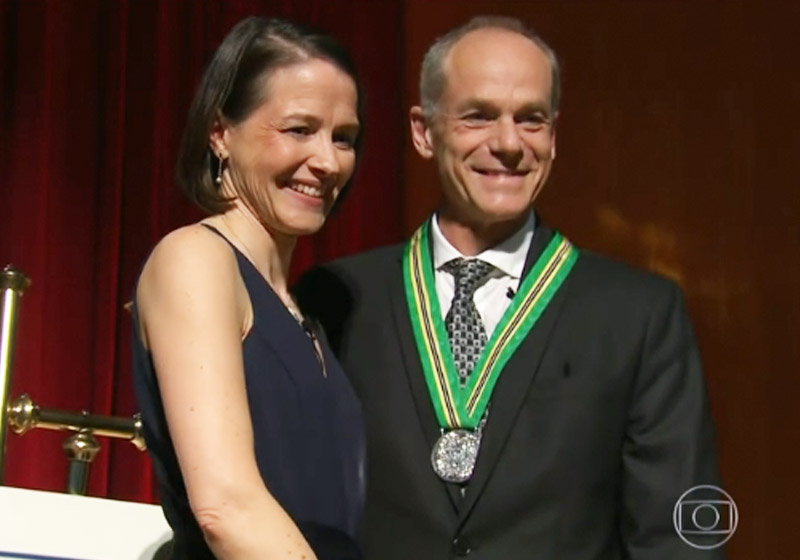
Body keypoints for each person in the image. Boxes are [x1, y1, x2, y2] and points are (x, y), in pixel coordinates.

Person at [296, 16, 724, 560]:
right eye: (478, 116)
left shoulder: (639, 314)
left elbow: (681, 535)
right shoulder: (335, 298)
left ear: (554, 135)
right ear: (423, 132)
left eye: (531, 120)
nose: (509, 143)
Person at [131, 17, 364, 560]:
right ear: (220, 134)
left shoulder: (307, 310)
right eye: (299, 130)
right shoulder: (195, 258)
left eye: (344, 138)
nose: (328, 161)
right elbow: (227, 508)